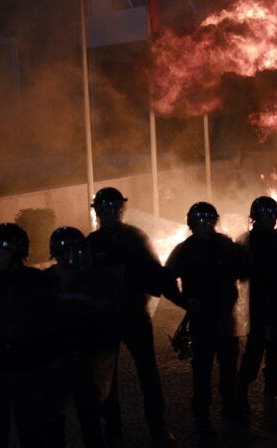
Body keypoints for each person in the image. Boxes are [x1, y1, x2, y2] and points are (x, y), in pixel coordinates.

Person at [87, 187, 175, 446]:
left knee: (147, 372)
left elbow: (155, 272)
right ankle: (114, 430)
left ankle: (157, 426)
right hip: (107, 319)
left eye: (114, 208)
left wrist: (178, 295)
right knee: (108, 377)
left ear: (121, 209)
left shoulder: (135, 237)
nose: (110, 213)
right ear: (98, 211)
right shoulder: (92, 243)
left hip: (134, 314)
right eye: (106, 208)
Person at [0, 223, 61, 448]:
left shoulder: (36, 281)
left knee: (33, 430)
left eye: (0, 252)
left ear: (16, 253)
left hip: (29, 368)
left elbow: (52, 322)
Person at [163, 202, 250, 436]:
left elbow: (244, 271)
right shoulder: (184, 250)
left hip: (227, 316)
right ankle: (202, 416)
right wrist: (185, 302)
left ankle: (229, 406)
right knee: (202, 370)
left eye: (209, 221)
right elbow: (166, 281)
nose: (205, 225)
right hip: (202, 320)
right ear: (192, 224)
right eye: (201, 221)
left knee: (228, 365)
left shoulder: (226, 245)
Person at [44, 226, 119, 448]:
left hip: (85, 358)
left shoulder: (91, 281)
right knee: (54, 417)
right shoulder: (44, 283)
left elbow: (106, 321)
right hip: (57, 359)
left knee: (89, 415)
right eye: (73, 250)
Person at [236, 196, 277, 407]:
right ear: (258, 216)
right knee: (256, 349)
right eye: (269, 215)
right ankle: (241, 391)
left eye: (274, 215)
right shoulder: (247, 242)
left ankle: (273, 384)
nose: (272, 219)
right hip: (259, 304)